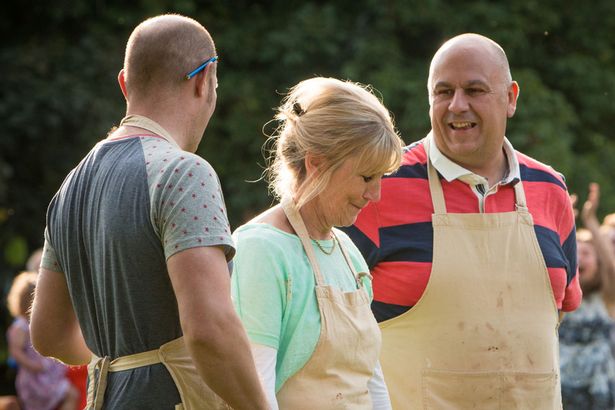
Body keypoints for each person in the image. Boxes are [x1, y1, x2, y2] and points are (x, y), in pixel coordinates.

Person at [29, 14, 268, 410]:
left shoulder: (69, 187)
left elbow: (49, 335)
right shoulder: (183, 172)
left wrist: (123, 365)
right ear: (204, 80)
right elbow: (210, 329)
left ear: (124, 84)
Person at [342, 33, 582, 409]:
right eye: (443, 92)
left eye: (474, 90)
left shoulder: (551, 190)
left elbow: (562, 308)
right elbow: (331, 321)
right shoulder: (380, 186)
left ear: (511, 98)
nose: (457, 106)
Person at [231, 77, 403, 409]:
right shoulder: (261, 250)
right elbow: (256, 389)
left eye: (381, 178)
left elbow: (370, 378)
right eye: (367, 177)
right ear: (316, 163)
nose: (375, 194)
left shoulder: (348, 252)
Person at [559, 183, 615, 409]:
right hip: (563, 390)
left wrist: (590, 221)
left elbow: (611, 268)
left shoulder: (607, 296)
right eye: (577, 253)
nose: (580, 259)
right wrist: (566, 220)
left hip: (599, 393)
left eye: (587, 254)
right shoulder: (561, 297)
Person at [6, 272, 80, 410]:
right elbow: (15, 351)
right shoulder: (21, 327)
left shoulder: (36, 324)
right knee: (71, 394)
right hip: (35, 379)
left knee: (69, 396)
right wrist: (33, 365)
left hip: (46, 377)